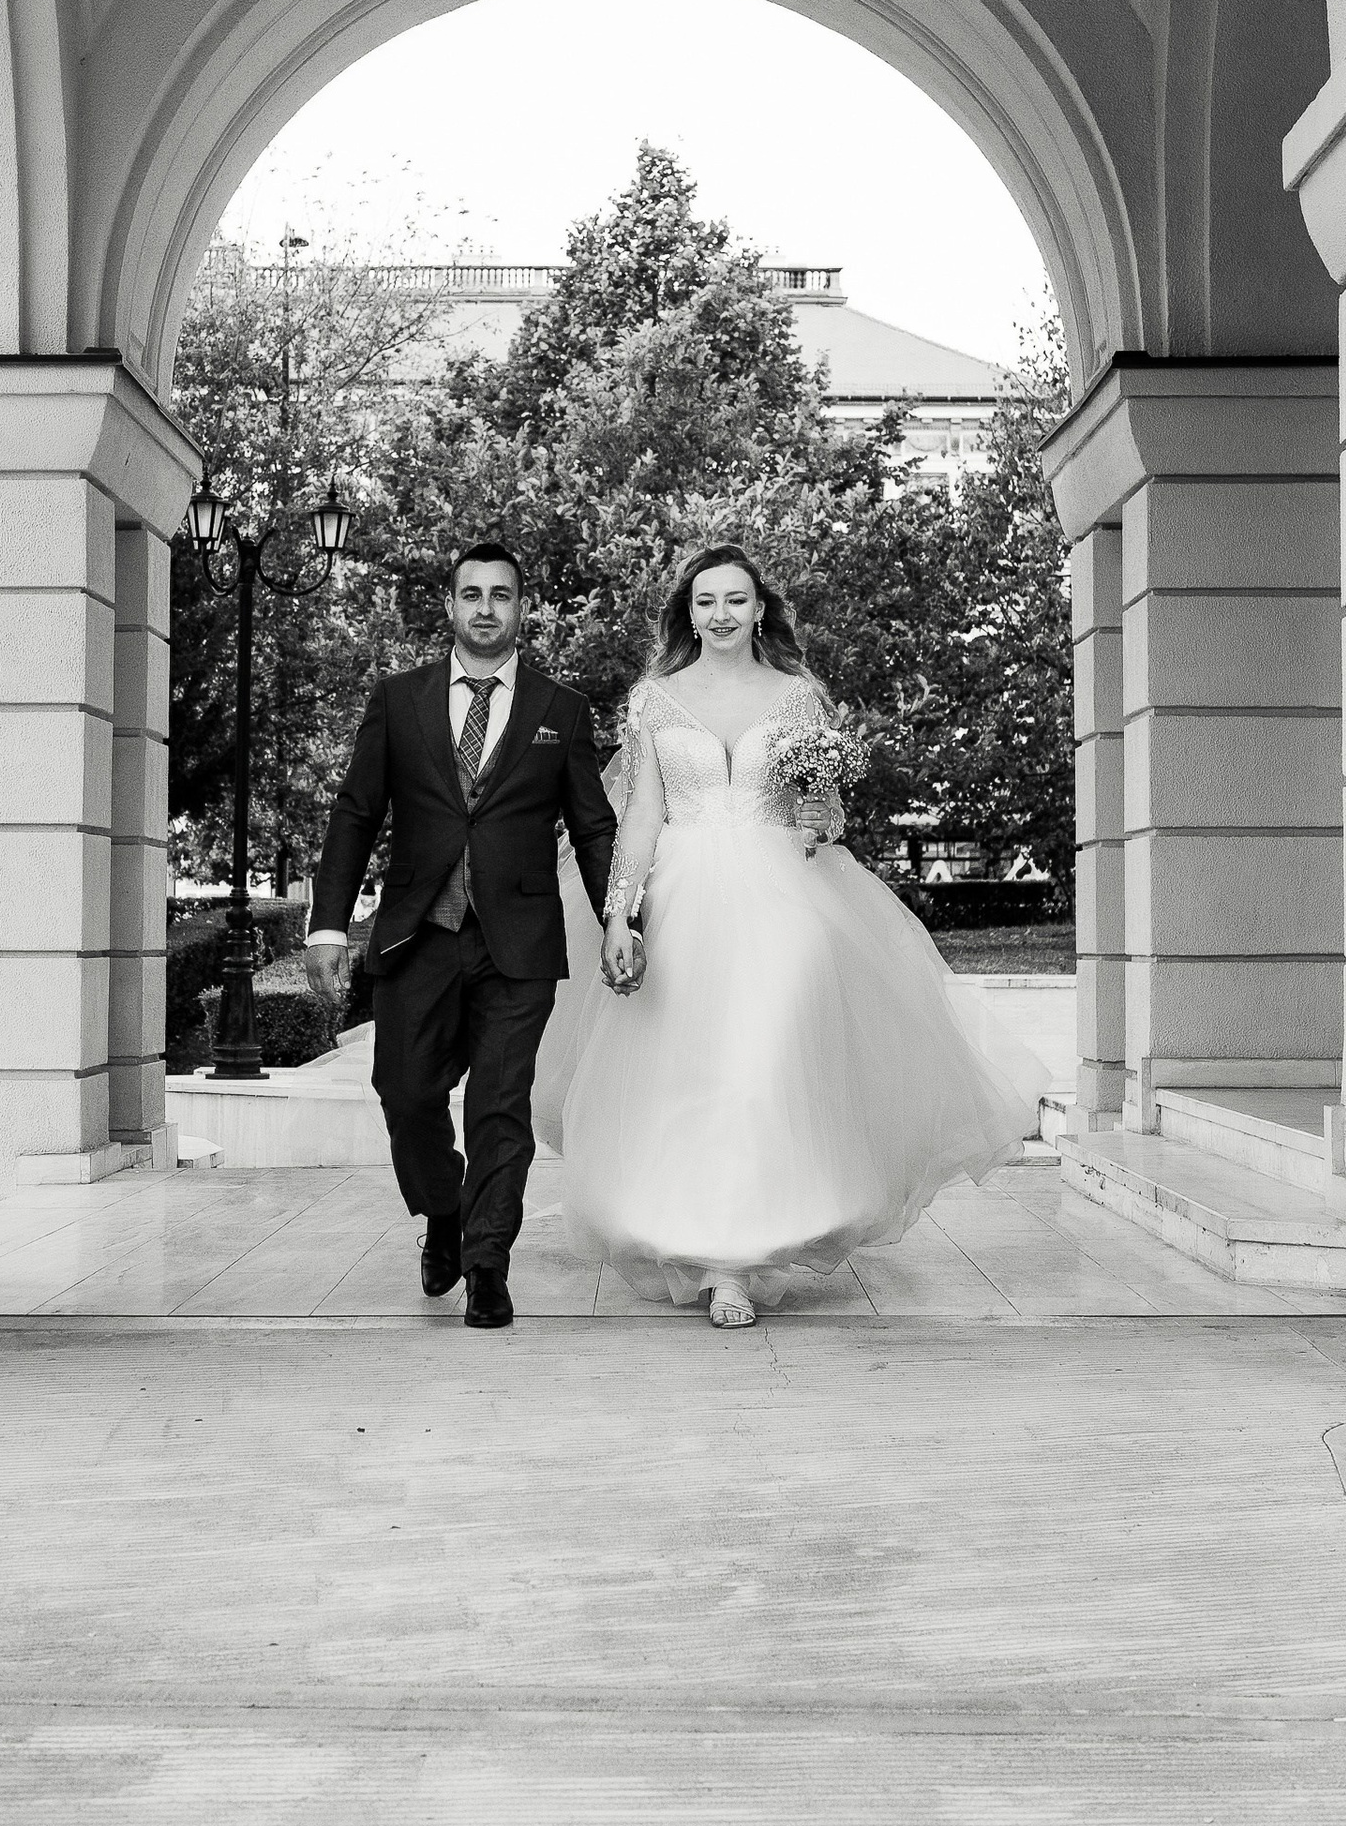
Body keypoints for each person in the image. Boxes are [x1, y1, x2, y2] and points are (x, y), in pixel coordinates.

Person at [535, 544, 1030, 1326]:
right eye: (705, 602)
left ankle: (739, 1259)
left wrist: (822, 815)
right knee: (693, 1071)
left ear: (760, 607)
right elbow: (640, 815)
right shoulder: (654, 700)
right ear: (687, 613)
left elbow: (824, 810)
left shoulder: (799, 697)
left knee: (762, 1066)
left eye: (735, 600)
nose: (721, 615)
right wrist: (621, 914)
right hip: (684, 899)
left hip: (783, 902)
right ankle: (698, 1232)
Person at [307, 542, 619, 1329]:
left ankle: (487, 1264)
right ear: (449, 606)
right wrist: (327, 923)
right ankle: (442, 1211)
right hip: (418, 936)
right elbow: (355, 814)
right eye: (471, 594)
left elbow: (592, 828)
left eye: (502, 595)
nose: (486, 608)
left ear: (524, 609)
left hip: (518, 944)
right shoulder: (398, 700)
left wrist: (621, 916)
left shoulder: (562, 710)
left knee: (499, 1108)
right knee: (406, 1094)